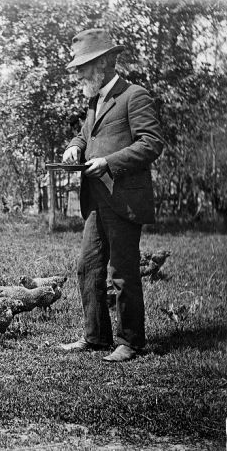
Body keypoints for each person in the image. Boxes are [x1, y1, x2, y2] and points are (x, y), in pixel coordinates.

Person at [59, 28, 164, 362]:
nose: (78, 73)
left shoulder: (135, 95)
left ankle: (131, 342)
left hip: (124, 199)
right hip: (96, 201)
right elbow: (85, 135)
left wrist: (109, 162)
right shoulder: (94, 101)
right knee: (87, 268)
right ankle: (96, 338)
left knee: (122, 271)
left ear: (103, 62)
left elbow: (151, 143)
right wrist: (75, 147)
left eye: (83, 66)